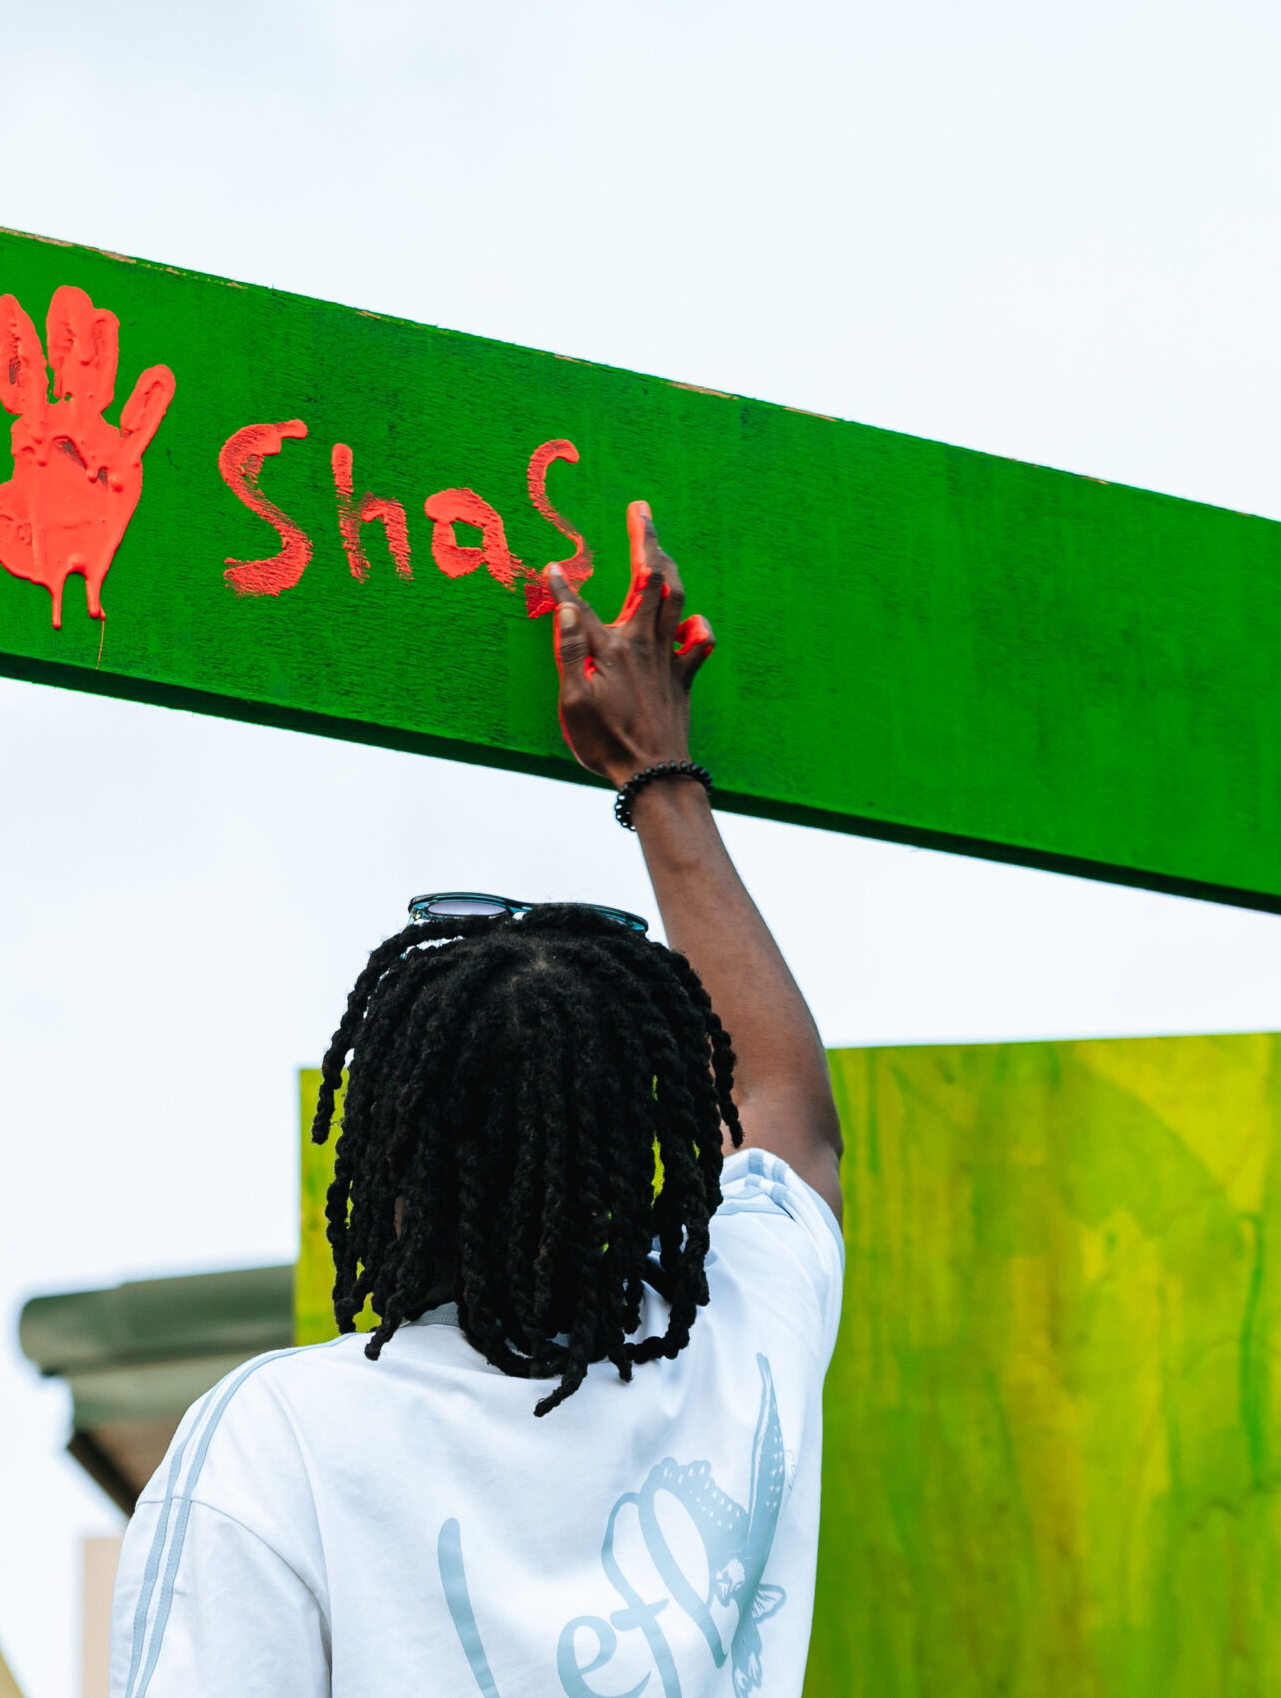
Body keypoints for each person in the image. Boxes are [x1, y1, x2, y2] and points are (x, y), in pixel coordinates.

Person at [107, 504, 846, 1698]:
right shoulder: (732, 1358)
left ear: (387, 1170)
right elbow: (786, 1112)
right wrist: (657, 777)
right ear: (650, 1158)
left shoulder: (280, 1445)